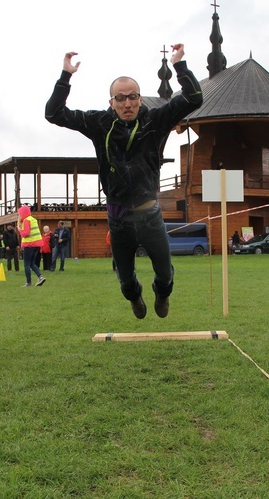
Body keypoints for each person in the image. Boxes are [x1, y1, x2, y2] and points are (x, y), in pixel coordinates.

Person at [45, 44, 203, 318]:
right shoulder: (99, 123)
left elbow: (194, 98)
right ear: (111, 102)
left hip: (150, 216)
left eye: (132, 97)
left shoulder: (156, 119)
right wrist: (65, 76)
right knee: (126, 281)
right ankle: (135, 296)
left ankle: (160, 292)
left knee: (166, 275)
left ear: (140, 99)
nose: (127, 103)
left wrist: (180, 65)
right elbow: (53, 114)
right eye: (120, 98)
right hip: (118, 220)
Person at [18, 205, 46, 287]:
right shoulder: (33, 219)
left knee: (26, 264)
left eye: (19, 213)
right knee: (32, 263)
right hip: (37, 244)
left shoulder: (26, 220)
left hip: (29, 244)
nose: (19, 215)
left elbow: (26, 233)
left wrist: (19, 229)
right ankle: (40, 277)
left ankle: (28, 282)